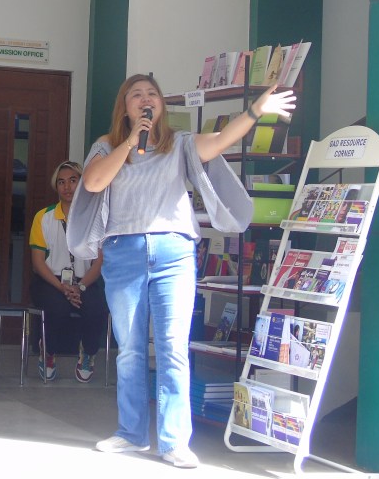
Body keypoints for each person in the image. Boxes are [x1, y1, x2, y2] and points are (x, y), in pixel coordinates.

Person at [69, 74, 295, 469]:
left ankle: (174, 441)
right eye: (136, 95)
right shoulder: (107, 146)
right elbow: (93, 181)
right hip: (124, 254)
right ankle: (131, 433)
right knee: (131, 349)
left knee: (173, 347)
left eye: (152, 94)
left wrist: (255, 110)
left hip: (173, 253)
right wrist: (130, 141)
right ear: (125, 106)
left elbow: (222, 140)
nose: (145, 99)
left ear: (161, 104)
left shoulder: (180, 144)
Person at [29, 160, 109, 383]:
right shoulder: (43, 217)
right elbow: (37, 262)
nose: (67, 187)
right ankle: (48, 351)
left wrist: (79, 286)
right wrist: (62, 288)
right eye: (61, 182)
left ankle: (88, 353)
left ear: (82, 183)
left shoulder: (95, 218)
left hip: (85, 280)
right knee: (57, 307)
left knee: (96, 307)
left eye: (73, 181)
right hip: (50, 280)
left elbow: (99, 262)